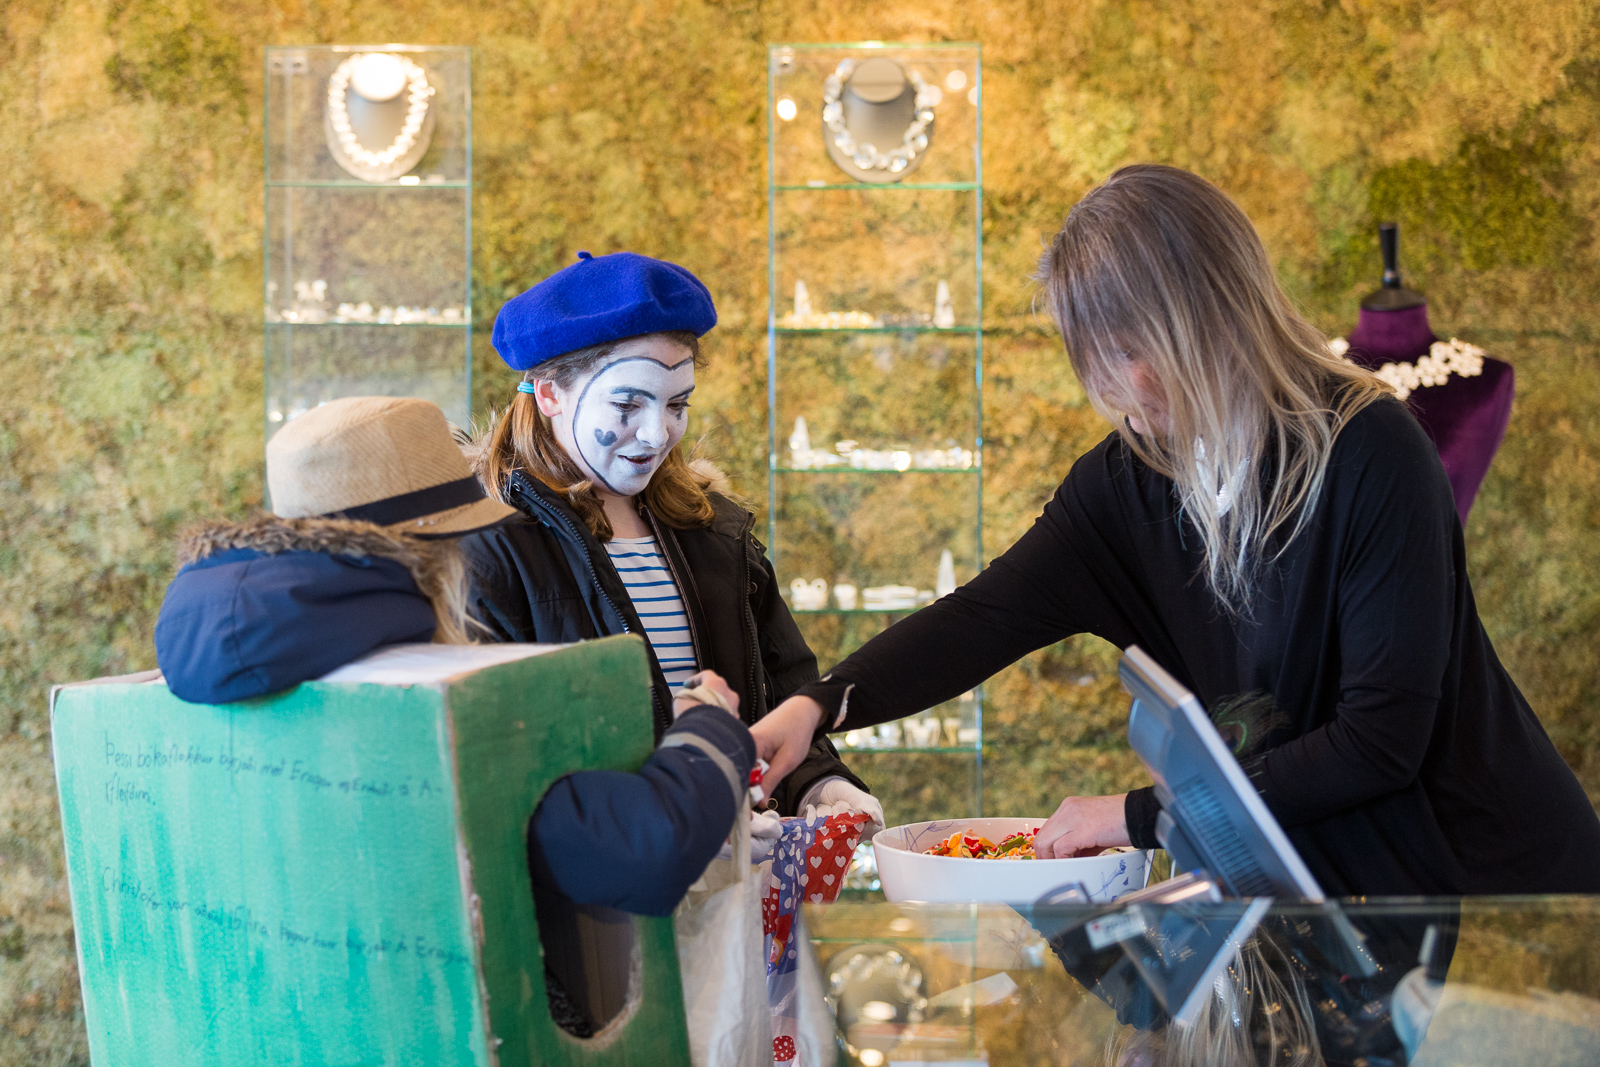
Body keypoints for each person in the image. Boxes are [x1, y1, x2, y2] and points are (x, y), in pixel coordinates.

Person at [751, 164, 1600, 896]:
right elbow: (983, 617)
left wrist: (1135, 817)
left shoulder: (1371, 449)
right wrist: (818, 702)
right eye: (1095, 359)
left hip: (1494, 894)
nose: (1113, 391)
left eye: (1125, 350)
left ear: (1202, 318)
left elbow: (1379, 742)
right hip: (1342, 892)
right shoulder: (1130, 476)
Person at [153, 395, 755, 919]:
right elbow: (642, 854)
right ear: (437, 559)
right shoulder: (432, 698)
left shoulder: (230, 669)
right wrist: (708, 729)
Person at [460, 249, 881, 832]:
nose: (658, 434)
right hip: (604, 893)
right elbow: (504, 758)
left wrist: (819, 784)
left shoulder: (717, 531)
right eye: (628, 403)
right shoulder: (491, 546)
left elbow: (781, 690)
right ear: (550, 392)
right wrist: (684, 823)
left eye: (677, 405)